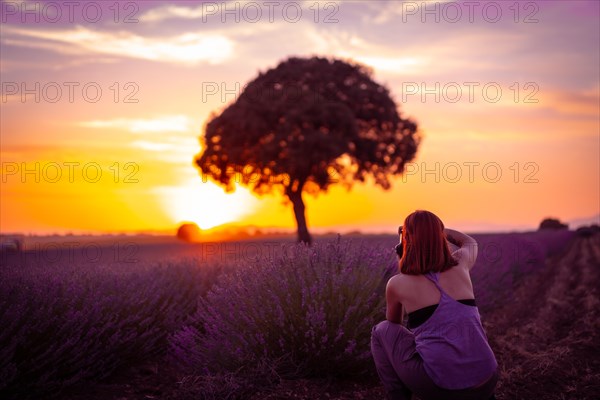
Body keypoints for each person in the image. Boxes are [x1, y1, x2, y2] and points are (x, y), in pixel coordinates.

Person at [371, 210, 498, 400]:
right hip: (487, 380)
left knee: (381, 330)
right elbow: (470, 242)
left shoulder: (397, 284)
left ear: (405, 242)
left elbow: (394, 326)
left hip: (444, 389)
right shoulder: (460, 266)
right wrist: (435, 230)